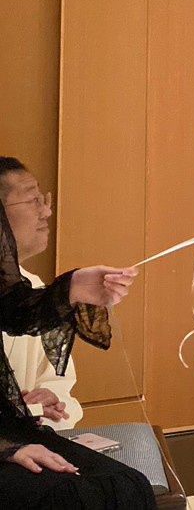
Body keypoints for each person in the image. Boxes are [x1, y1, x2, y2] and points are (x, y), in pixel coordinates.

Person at [0, 170, 154, 508]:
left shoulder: (28, 290)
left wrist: (74, 288)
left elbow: (21, 313)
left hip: (19, 431)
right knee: (70, 497)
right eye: (33, 200)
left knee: (125, 485)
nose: (46, 211)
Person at [1, 159, 82, 430]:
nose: (46, 211)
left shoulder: (36, 290)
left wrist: (50, 400)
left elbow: (61, 389)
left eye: (43, 199)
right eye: (33, 200)